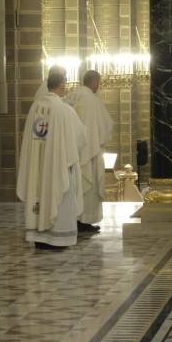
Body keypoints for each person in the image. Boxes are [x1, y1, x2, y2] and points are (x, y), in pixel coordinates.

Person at [17, 70, 86, 250]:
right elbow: (80, 138)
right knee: (60, 196)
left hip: (37, 165)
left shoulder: (35, 107)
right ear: (62, 85)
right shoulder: (64, 109)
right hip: (57, 165)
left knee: (38, 193)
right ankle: (56, 239)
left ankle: (39, 238)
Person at [64, 70, 113, 233]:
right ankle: (84, 221)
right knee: (89, 186)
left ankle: (73, 219)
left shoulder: (71, 96)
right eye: (99, 83)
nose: (99, 86)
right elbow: (104, 125)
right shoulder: (92, 100)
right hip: (90, 152)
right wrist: (101, 140)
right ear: (94, 82)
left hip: (72, 151)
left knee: (74, 186)